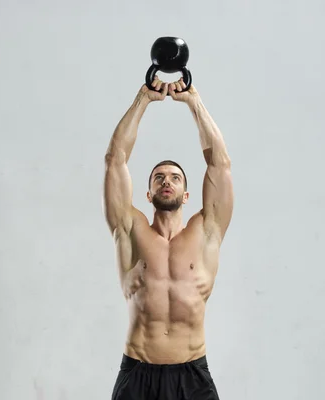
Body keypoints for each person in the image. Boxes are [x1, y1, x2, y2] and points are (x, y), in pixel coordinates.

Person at [103, 75, 233, 400]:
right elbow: (115, 160)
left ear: (187, 195)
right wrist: (142, 100)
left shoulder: (207, 230)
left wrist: (194, 103)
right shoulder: (130, 229)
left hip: (192, 373)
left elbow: (220, 163)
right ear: (147, 194)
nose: (167, 181)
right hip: (138, 370)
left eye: (175, 178)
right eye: (159, 177)